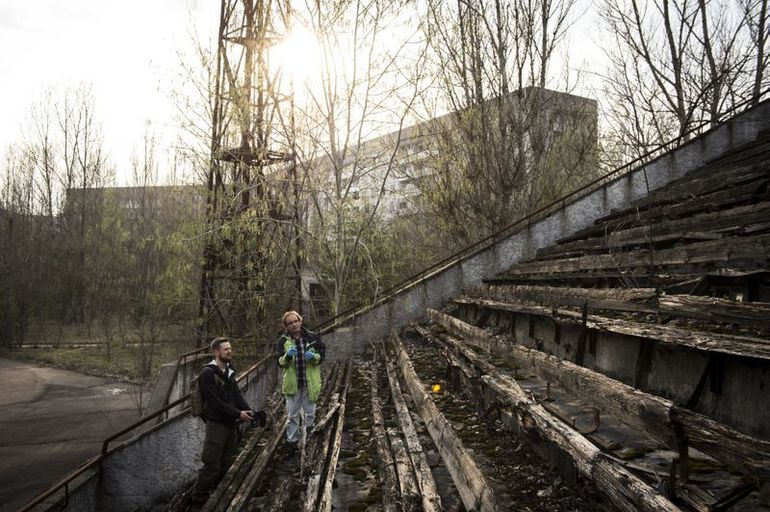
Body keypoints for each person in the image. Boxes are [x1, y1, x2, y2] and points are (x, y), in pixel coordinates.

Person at [192, 337, 254, 508]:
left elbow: (236, 395)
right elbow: (215, 403)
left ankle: (217, 495)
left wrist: (249, 411)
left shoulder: (229, 370)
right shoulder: (207, 374)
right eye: (226, 349)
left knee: (226, 462)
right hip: (216, 425)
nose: (229, 351)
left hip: (230, 423)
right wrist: (238, 414)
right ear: (216, 352)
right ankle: (198, 502)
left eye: (230, 348)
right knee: (211, 464)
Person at [276, 310, 325, 452]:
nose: (294, 325)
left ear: (300, 321)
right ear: (286, 326)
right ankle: (292, 442)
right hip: (293, 384)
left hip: (310, 383)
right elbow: (280, 363)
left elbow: (322, 356)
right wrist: (287, 357)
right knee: (292, 415)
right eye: (290, 323)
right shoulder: (283, 341)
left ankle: (308, 439)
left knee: (310, 413)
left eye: (295, 321)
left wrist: (314, 357)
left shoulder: (312, 337)